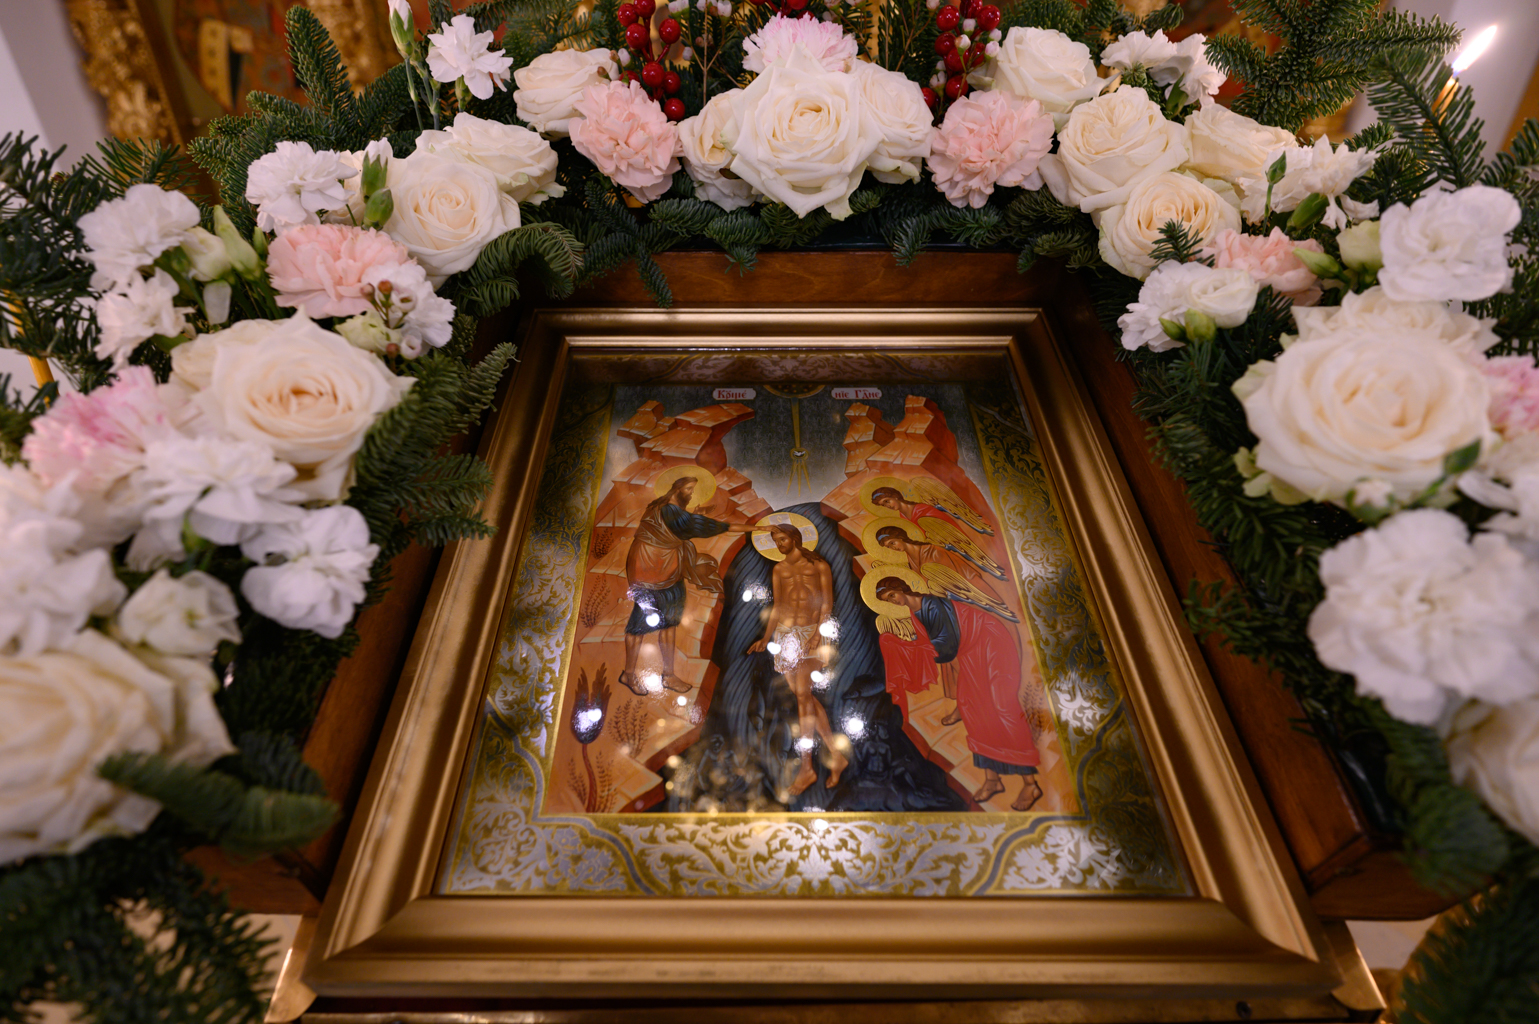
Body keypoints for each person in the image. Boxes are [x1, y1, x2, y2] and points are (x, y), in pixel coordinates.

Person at [874, 575, 1042, 811]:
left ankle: (1030, 783)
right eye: (887, 600)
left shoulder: (933, 604)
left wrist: (914, 650)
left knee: (1002, 706)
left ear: (901, 588)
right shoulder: (915, 613)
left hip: (991, 642)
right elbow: (931, 643)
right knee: (971, 707)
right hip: (971, 650)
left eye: (892, 595)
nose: (893, 601)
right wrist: (907, 646)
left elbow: (946, 646)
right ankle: (993, 779)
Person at [622, 472, 752, 695]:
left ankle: (669, 676)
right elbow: (700, 526)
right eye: (689, 489)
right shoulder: (669, 511)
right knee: (638, 626)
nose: (691, 494)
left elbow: (679, 524)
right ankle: (629, 674)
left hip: (669, 571)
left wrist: (694, 515)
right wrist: (754, 529)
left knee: (670, 624)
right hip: (649, 573)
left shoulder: (663, 506)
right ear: (677, 488)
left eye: (693, 490)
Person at [748, 523, 849, 796]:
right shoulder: (779, 569)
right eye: (776, 541)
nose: (779, 545)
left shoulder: (819, 565)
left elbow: (826, 603)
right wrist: (766, 637)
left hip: (811, 632)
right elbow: (778, 606)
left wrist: (817, 634)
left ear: (794, 538)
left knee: (803, 695)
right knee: (804, 697)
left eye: (782, 539)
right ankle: (836, 755)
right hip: (786, 637)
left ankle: (807, 768)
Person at [874, 522, 1008, 727]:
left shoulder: (932, 553)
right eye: (888, 547)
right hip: (943, 620)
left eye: (892, 543)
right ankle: (965, 706)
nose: (893, 548)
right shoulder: (910, 563)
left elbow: (955, 582)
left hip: (961, 615)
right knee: (956, 667)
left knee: (965, 666)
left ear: (900, 536)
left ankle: (971, 707)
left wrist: (918, 647)